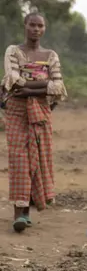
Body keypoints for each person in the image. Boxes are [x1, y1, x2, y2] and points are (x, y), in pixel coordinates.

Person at [1, 12, 67, 233]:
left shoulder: (50, 55)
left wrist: (27, 88)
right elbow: (12, 80)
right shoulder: (13, 51)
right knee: (19, 159)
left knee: (38, 158)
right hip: (16, 112)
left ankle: (29, 210)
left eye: (40, 26)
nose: (36, 29)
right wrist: (43, 83)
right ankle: (18, 213)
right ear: (25, 26)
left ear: (44, 29)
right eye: (32, 25)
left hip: (41, 112)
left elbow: (59, 87)